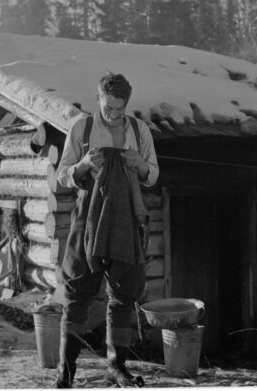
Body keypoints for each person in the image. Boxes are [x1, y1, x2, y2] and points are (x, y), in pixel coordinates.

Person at [55, 73, 159, 388]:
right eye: (107, 106)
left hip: (126, 217)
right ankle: (66, 371)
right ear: (98, 97)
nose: (112, 114)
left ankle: (117, 366)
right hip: (87, 218)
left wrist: (138, 163)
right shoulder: (81, 128)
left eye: (118, 109)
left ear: (127, 104)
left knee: (124, 293)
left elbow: (152, 175)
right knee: (78, 290)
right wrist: (84, 163)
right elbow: (62, 175)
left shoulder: (139, 130)